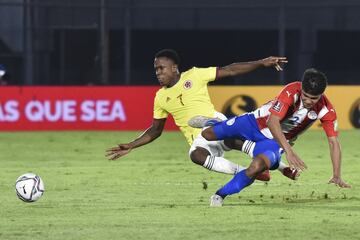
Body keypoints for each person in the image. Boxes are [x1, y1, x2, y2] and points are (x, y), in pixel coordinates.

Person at [106, 49, 295, 180]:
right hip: (199, 140)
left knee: (232, 138)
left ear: (174, 68)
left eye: (161, 68)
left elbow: (230, 69)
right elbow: (155, 130)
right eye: (155, 69)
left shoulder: (195, 75)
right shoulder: (160, 97)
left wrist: (261, 63)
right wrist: (131, 145)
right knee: (196, 155)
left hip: (215, 125)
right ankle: (248, 172)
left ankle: (284, 167)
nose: (158, 72)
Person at [189, 68, 351, 206]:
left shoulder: (327, 110)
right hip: (253, 123)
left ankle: (219, 195)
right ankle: (215, 122)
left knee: (256, 168)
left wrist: (336, 174)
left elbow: (333, 142)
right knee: (207, 134)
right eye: (305, 96)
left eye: (313, 98)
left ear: (322, 94)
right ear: (301, 88)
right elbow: (273, 122)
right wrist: (289, 152)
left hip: (274, 142)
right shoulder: (291, 91)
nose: (308, 101)